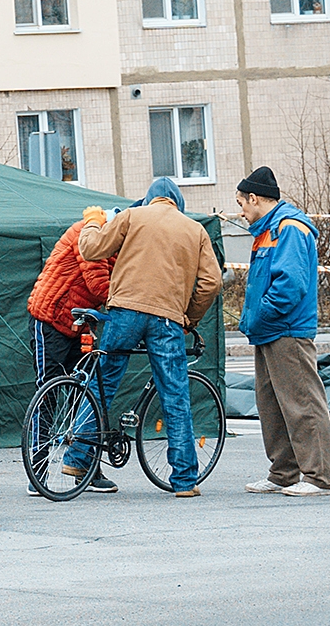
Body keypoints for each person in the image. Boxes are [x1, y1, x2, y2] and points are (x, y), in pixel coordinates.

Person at [73, 177, 224, 496]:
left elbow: (91, 249)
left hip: (125, 312)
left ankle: (76, 457)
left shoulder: (132, 216)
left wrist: (91, 222)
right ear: (177, 204)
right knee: (175, 394)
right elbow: (211, 282)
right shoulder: (194, 230)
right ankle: (184, 481)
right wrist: (188, 318)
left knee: (103, 382)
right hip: (167, 319)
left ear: (149, 200)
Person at [234, 166, 330, 497]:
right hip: (269, 330)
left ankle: (318, 476)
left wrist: (260, 315)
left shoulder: (288, 229)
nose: (241, 211)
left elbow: (289, 286)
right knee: (273, 405)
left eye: (242, 203)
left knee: (302, 402)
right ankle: (284, 472)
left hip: (286, 330)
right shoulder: (268, 230)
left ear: (255, 198)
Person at [25, 218, 113, 382]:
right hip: (52, 317)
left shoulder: (119, 245)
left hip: (78, 323)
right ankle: (44, 409)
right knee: (49, 381)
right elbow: (98, 284)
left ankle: (78, 408)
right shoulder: (90, 233)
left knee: (83, 382)